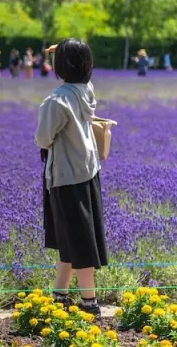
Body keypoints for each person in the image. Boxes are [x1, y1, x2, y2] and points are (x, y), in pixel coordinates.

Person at [35, 39, 107, 316]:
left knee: (77, 239)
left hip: (64, 175)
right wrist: (66, 51)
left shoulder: (56, 100)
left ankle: (89, 303)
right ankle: (60, 294)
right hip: (88, 172)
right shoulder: (86, 91)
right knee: (69, 235)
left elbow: (42, 138)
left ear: (60, 65)